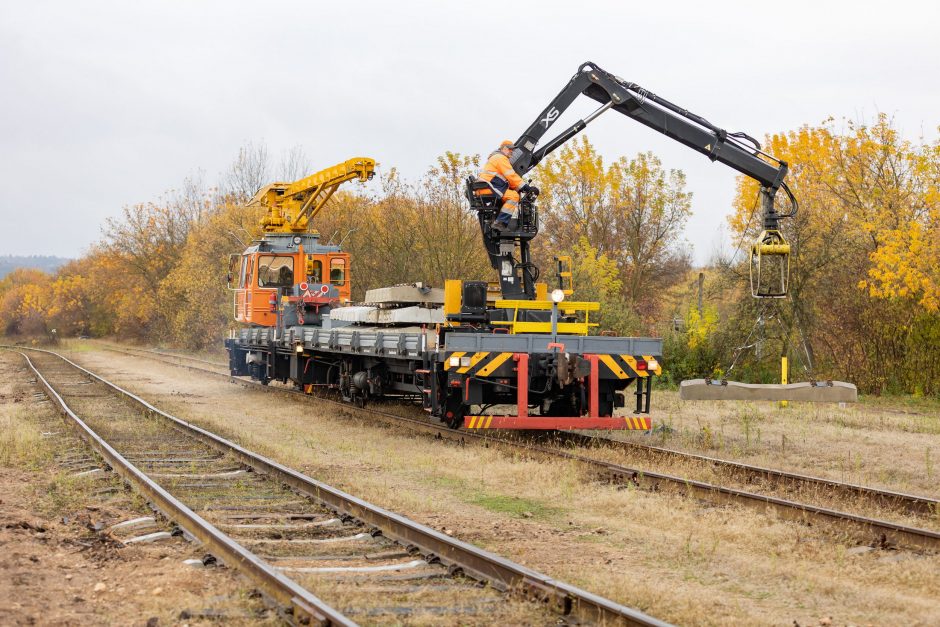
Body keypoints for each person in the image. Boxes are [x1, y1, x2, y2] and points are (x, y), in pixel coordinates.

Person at [476, 140, 533, 232]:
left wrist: (519, 187)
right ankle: (500, 223)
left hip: (486, 188)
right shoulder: (501, 158)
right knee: (514, 196)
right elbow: (511, 175)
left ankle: (499, 221)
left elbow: (509, 180)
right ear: (504, 149)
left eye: (513, 150)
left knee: (512, 194)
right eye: (510, 149)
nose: (512, 152)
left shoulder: (495, 157)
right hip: (488, 188)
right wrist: (525, 187)